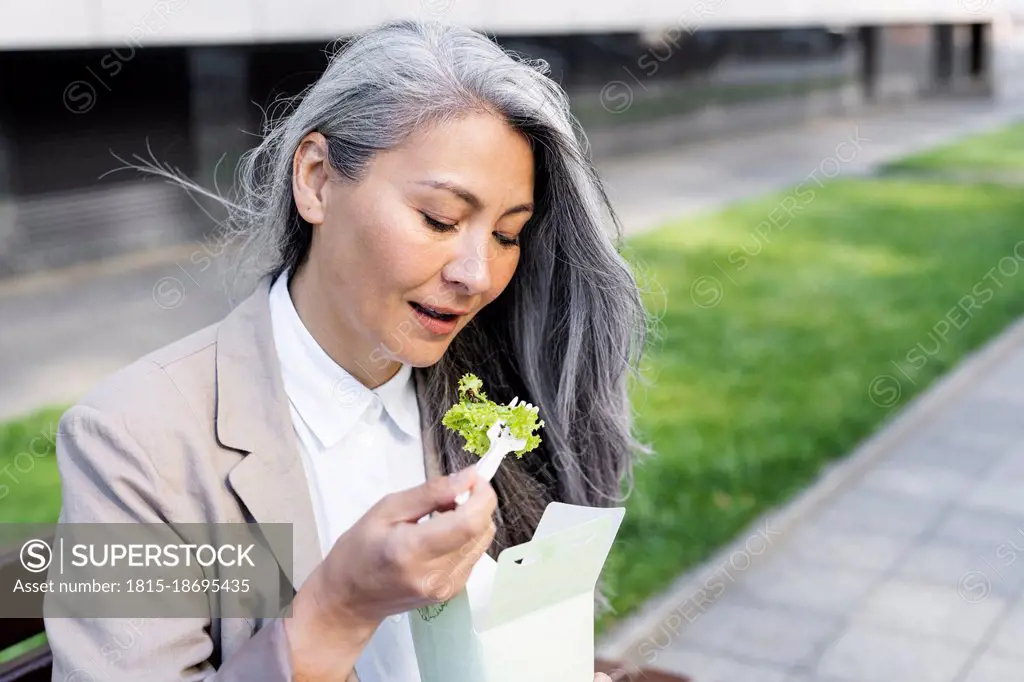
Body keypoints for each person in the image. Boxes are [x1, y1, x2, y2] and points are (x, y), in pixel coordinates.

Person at [44, 18, 650, 682]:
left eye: (508, 234)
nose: (477, 274)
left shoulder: (499, 396)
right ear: (317, 179)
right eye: (440, 220)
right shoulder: (135, 440)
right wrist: (339, 608)